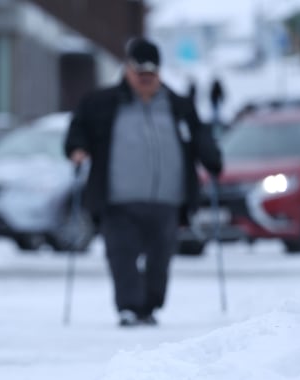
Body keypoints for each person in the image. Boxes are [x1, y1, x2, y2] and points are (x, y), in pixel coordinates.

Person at [64, 37, 222, 327]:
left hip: (167, 198)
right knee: (122, 254)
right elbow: (79, 129)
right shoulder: (102, 103)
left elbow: (200, 136)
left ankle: (150, 307)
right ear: (127, 70)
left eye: (151, 75)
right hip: (118, 197)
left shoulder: (178, 105)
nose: (145, 80)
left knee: (160, 257)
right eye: (140, 74)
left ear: (160, 73)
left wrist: (211, 158)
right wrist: (77, 149)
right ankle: (128, 306)